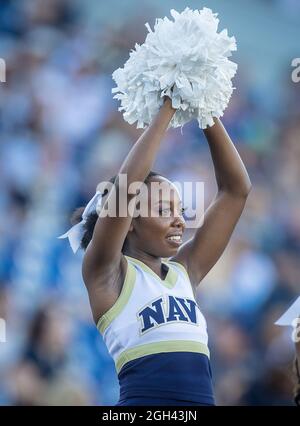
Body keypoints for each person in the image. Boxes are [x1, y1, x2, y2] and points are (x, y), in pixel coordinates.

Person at [66, 97, 252, 406]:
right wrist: (169, 104)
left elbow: (236, 190)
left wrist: (204, 107)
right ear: (129, 222)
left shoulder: (185, 272)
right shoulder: (106, 273)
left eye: (181, 209)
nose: (180, 219)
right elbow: (126, 188)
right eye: (165, 209)